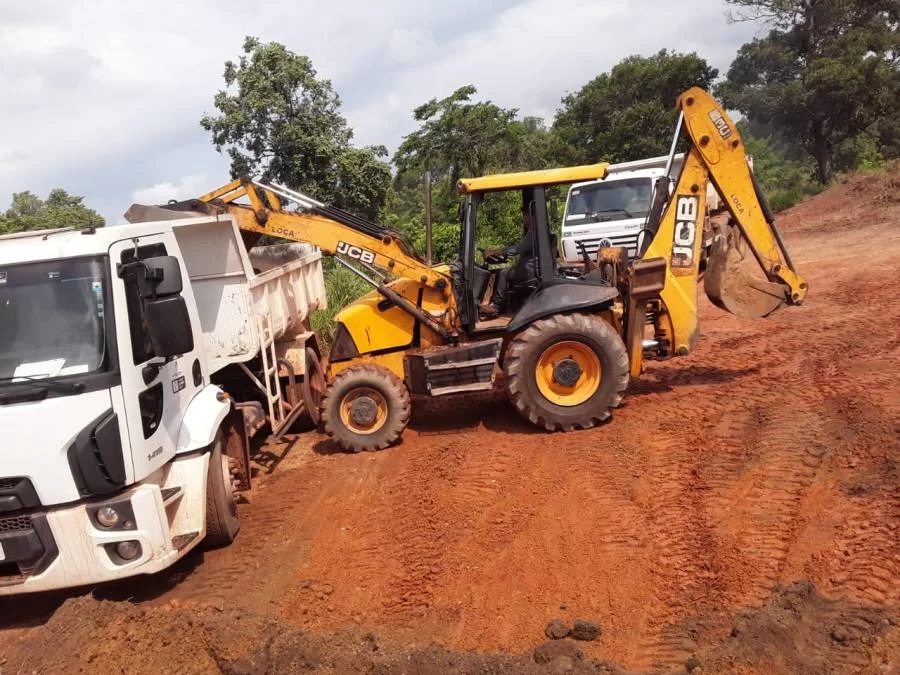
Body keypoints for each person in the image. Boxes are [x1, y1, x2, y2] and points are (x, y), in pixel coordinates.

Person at [479, 203, 538, 317]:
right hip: (530, 268)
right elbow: (519, 248)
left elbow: (518, 249)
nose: (523, 218)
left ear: (531, 216)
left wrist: (495, 251)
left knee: (503, 273)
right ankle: (496, 304)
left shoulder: (535, 233)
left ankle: (495, 306)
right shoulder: (533, 232)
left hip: (531, 271)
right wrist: (502, 254)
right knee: (498, 272)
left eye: (524, 215)